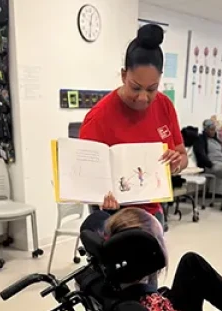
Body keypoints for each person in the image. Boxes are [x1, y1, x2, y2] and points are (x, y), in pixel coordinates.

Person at [78, 23, 189, 229]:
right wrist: (102, 197)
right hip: (115, 219)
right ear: (123, 75)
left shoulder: (164, 106)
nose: (143, 98)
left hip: (153, 214)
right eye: (135, 87)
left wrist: (176, 164)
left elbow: (182, 155)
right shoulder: (99, 118)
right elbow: (87, 178)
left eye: (152, 89)